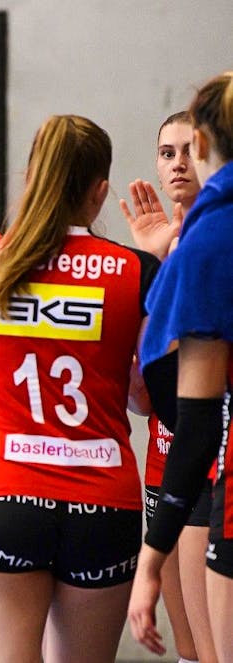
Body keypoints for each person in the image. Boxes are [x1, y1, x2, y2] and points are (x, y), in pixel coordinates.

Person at [0, 114, 158, 663]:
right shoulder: (135, 271)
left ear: (32, 176)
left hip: (4, 495)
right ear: (100, 191)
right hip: (102, 502)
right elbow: (148, 398)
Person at [129, 71, 233, 662]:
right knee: (189, 645)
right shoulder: (162, 250)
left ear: (207, 146)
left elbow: (190, 400)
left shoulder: (206, 242)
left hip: (208, 459)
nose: (177, 164)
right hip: (169, 460)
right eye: (165, 153)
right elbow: (141, 394)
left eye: (187, 150)